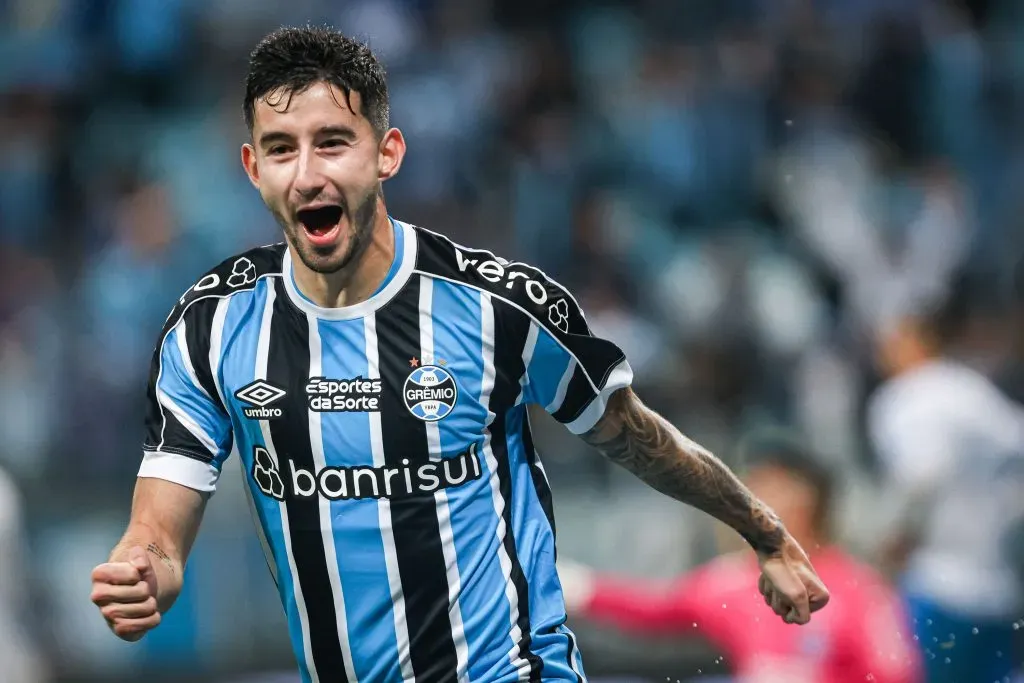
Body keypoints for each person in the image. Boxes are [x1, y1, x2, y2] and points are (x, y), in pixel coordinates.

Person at [88, 26, 829, 682]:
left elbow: (638, 436)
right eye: (282, 149)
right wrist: (145, 567)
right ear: (253, 169)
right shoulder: (210, 326)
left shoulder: (497, 306)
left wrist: (762, 530)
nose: (308, 173)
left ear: (387, 153)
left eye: (333, 142)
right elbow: (159, 524)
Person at [558, 432, 922, 683]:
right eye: (752, 485)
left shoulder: (856, 587)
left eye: (775, 484)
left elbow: (897, 674)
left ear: (813, 497)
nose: (759, 498)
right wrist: (578, 587)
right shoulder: (731, 581)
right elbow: (658, 609)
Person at [867, 291, 1024, 683]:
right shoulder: (972, 391)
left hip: (938, 584)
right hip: (1000, 583)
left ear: (911, 340)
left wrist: (893, 542)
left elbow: (921, 477)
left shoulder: (908, 398)